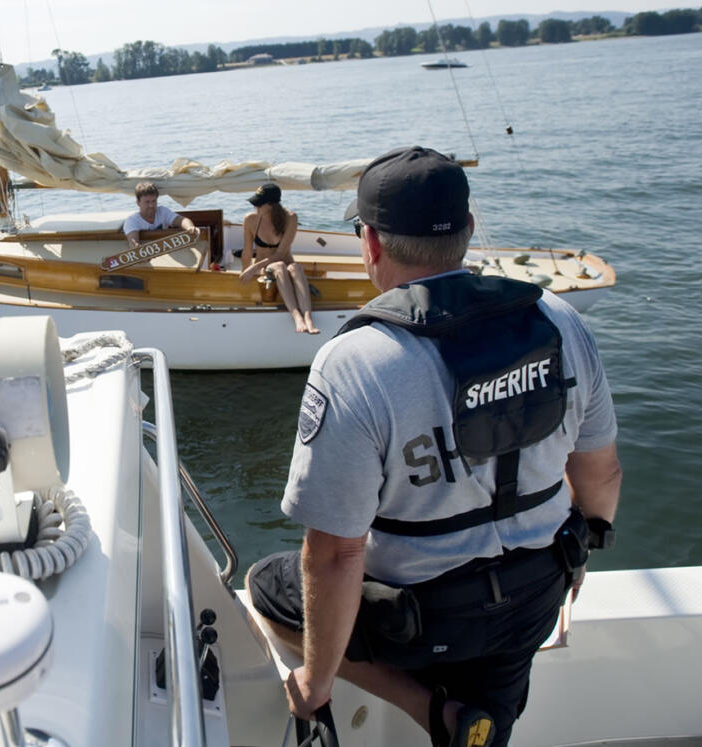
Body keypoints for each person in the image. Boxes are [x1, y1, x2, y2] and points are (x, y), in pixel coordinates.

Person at [246, 146, 621, 747]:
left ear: (370, 243)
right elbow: (601, 473)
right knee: (497, 703)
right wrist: (579, 556)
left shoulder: (355, 361)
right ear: (469, 232)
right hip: (536, 596)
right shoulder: (558, 319)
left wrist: (315, 685)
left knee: (268, 587)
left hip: (421, 622)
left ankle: (436, 713)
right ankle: (484, 718)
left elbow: (335, 555)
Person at [238, 183, 319, 334]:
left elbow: (281, 253)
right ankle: (296, 316)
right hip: (266, 268)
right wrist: (245, 271)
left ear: (271, 205)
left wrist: (253, 268)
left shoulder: (290, 218)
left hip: (285, 262)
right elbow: (247, 250)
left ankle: (308, 316)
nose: (256, 207)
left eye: (259, 204)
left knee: (294, 267)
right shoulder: (250, 219)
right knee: (279, 266)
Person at [122, 181, 197, 250]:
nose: (151, 205)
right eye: (147, 202)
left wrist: (189, 227)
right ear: (138, 203)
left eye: (154, 201)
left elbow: (181, 220)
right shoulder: (132, 221)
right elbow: (133, 243)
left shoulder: (162, 211)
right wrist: (138, 250)